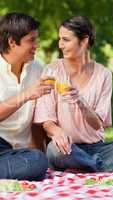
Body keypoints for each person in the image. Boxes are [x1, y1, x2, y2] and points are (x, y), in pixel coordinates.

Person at [34, 15, 113, 172]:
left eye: (66, 40)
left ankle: (88, 165)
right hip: (66, 148)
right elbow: (47, 121)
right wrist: (57, 132)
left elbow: (97, 124)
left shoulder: (104, 75)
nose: (60, 45)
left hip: (97, 148)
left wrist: (80, 101)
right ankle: (99, 165)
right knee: (55, 151)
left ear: (84, 40)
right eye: (60, 39)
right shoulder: (51, 70)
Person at [0, 12, 55, 180]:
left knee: (38, 160)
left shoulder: (38, 69)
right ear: (12, 42)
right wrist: (26, 94)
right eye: (31, 40)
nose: (36, 45)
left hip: (17, 153)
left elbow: (39, 119)